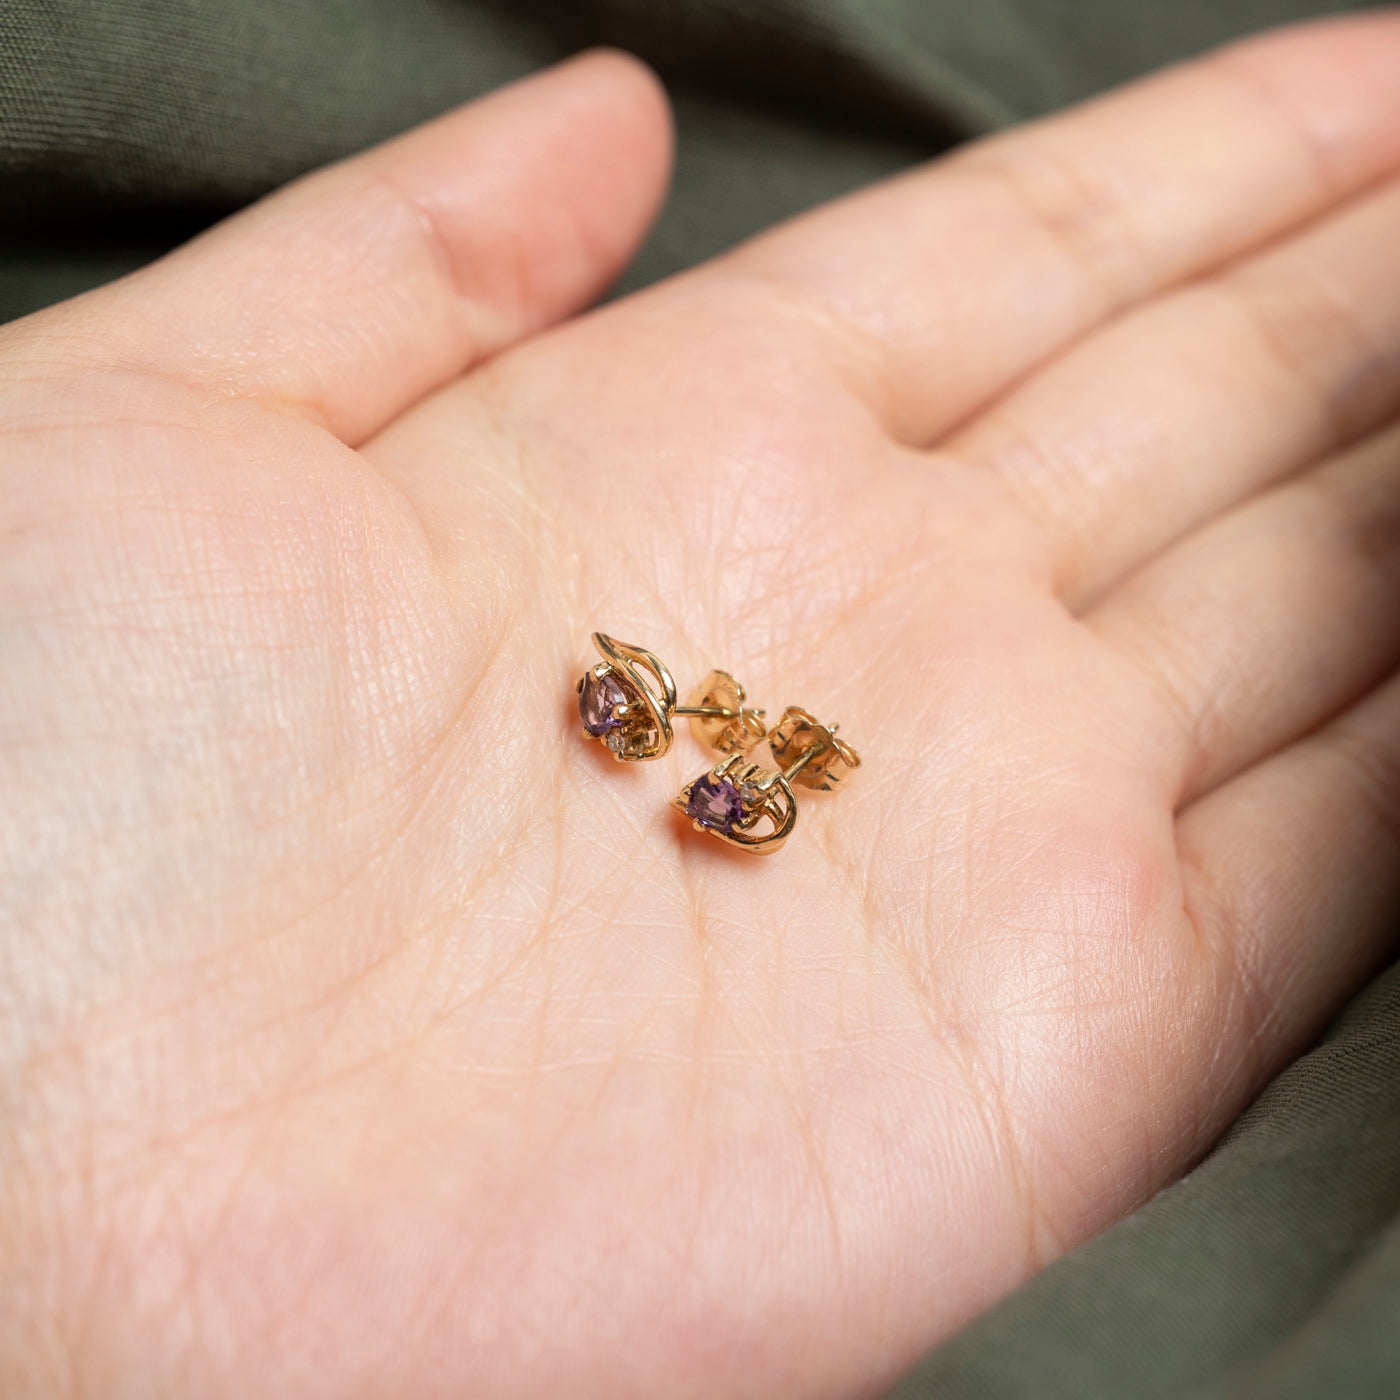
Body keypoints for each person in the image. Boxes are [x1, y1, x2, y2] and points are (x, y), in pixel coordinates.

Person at [1, 16, 1397, 1398]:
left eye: (738, 775)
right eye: (730, 771)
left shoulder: (722, 761)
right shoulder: (676, 746)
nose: (715, 774)